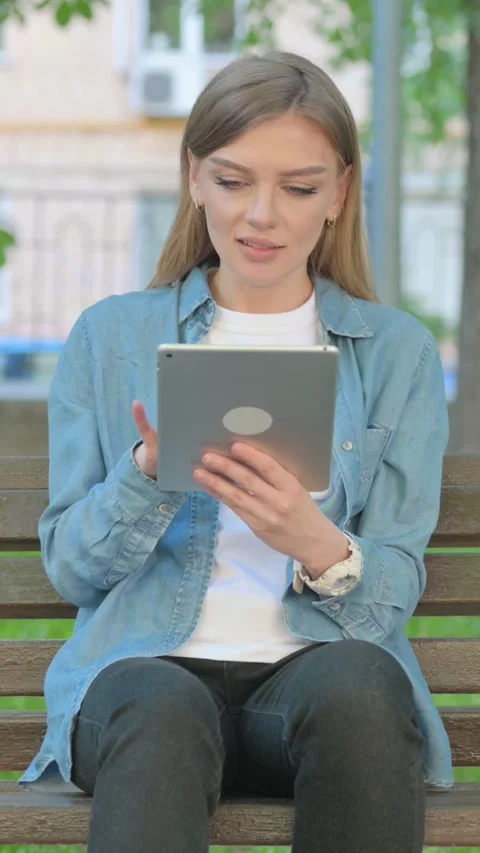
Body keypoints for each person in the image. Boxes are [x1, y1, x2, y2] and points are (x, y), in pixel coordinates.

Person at [18, 50, 453, 852]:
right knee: (158, 701)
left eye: (299, 187)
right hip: (143, 680)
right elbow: (72, 569)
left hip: (310, 686)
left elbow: (392, 592)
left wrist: (313, 540)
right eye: (232, 180)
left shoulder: (396, 353)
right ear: (193, 178)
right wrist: (147, 476)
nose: (263, 215)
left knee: (361, 683)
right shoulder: (111, 337)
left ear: (340, 194)